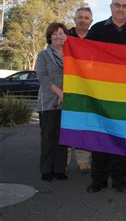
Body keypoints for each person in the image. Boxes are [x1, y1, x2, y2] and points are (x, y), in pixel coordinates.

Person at [85, 0, 126, 193]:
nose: (121, 9)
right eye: (117, 5)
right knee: (100, 137)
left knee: (121, 138)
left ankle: (120, 181)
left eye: (125, 6)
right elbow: (85, 56)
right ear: (111, 7)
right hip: (99, 92)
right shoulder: (97, 29)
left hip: (124, 95)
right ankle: (98, 181)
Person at [36, 22, 69, 181]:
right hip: (48, 103)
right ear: (50, 36)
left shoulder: (70, 55)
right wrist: (59, 93)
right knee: (48, 138)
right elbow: (43, 78)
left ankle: (59, 169)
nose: (58, 36)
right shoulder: (43, 55)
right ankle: (46, 170)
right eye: (55, 33)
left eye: (61, 33)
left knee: (62, 138)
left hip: (66, 104)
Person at [67, 7, 93, 173]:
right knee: (69, 123)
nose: (83, 20)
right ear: (74, 19)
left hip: (89, 88)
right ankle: (65, 159)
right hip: (69, 87)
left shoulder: (95, 38)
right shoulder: (65, 36)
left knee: (86, 125)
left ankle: (84, 159)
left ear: (90, 21)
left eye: (86, 18)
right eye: (80, 17)